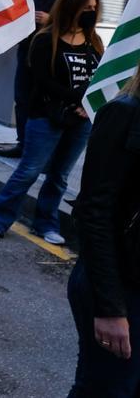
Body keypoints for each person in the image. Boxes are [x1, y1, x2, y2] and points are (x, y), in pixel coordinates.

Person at [0, 0, 103, 245]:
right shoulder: (46, 40)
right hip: (46, 117)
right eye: (86, 9)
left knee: (59, 176)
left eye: (94, 9)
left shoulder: (95, 42)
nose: (91, 14)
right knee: (29, 171)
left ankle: (46, 224)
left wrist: (89, 104)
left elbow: (100, 79)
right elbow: (42, 81)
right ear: (71, 10)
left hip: (80, 121)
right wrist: (78, 99)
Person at [67, 58, 140, 395]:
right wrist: (110, 308)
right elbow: (93, 214)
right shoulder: (124, 113)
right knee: (105, 389)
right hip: (119, 287)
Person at [0, 0, 85, 158]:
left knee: (44, 103)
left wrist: (52, 21)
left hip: (53, 57)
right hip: (28, 52)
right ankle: (23, 143)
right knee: (22, 98)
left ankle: (41, 150)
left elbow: (82, 23)